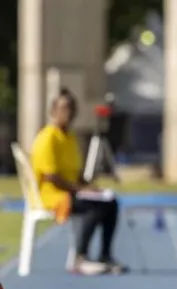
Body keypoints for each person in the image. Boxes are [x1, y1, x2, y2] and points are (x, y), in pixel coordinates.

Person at [31, 89, 128, 275]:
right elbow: (52, 176)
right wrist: (79, 190)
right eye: (64, 108)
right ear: (53, 111)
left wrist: (90, 187)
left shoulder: (70, 137)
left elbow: (75, 174)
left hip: (70, 191)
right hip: (53, 195)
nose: (68, 113)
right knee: (93, 206)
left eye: (71, 109)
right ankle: (80, 258)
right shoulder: (47, 137)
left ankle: (105, 255)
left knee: (110, 201)